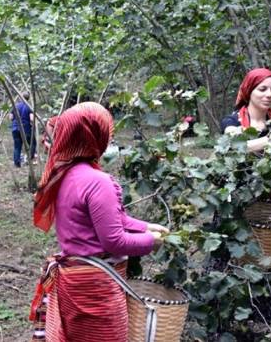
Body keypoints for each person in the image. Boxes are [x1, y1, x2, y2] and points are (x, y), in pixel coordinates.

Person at [29, 102, 167, 342]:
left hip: (74, 281)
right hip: (96, 289)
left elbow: (111, 219)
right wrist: (151, 242)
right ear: (96, 136)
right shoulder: (97, 181)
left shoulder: (64, 174)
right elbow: (114, 240)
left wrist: (145, 227)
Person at [217, 67, 271, 338]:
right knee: (241, 258)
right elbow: (235, 146)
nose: (269, 94)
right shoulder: (233, 121)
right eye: (262, 89)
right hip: (239, 202)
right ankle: (239, 318)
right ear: (249, 91)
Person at [9, 92, 36, 167]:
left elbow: (10, 117)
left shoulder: (15, 106)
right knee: (32, 143)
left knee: (17, 146)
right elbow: (31, 119)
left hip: (15, 128)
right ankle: (30, 159)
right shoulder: (29, 106)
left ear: (21, 98)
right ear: (28, 98)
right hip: (25, 129)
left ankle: (17, 163)